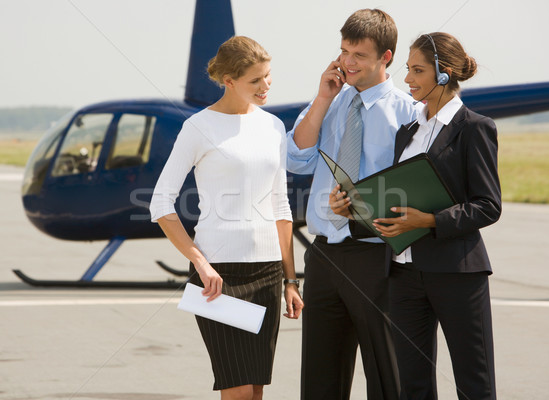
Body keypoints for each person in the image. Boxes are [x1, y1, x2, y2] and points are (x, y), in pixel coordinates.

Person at [335, 32, 501, 399]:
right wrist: (354, 207)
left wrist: (429, 221)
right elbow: (398, 200)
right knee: (411, 385)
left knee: (473, 382)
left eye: (417, 70)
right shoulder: (408, 131)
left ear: (445, 74)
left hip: (457, 273)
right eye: (408, 69)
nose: (407, 78)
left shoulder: (474, 128)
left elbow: (488, 205)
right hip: (404, 274)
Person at [149, 36, 304, 400]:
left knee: (255, 390)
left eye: (268, 76)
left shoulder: (273, 127)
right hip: (219, 276)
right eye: (256, 80)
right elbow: (160, 203)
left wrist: (291, 280)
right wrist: (200, 263)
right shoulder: (198, 127)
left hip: (268, 272)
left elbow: (281, 206)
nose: (266, 86)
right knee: (236, 389)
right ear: (229, 81)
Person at [287, 9, 417, 400]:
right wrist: (324, 97)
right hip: (324, 254)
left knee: (386, 375)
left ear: (386, 57)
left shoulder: (407, 112)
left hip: (377, 256)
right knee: (320, 377)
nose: (347, 62)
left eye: (359, 55)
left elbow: (411, 188)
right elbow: (296, 158)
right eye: (344, 52)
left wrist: (361, 209)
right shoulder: (330, 104)